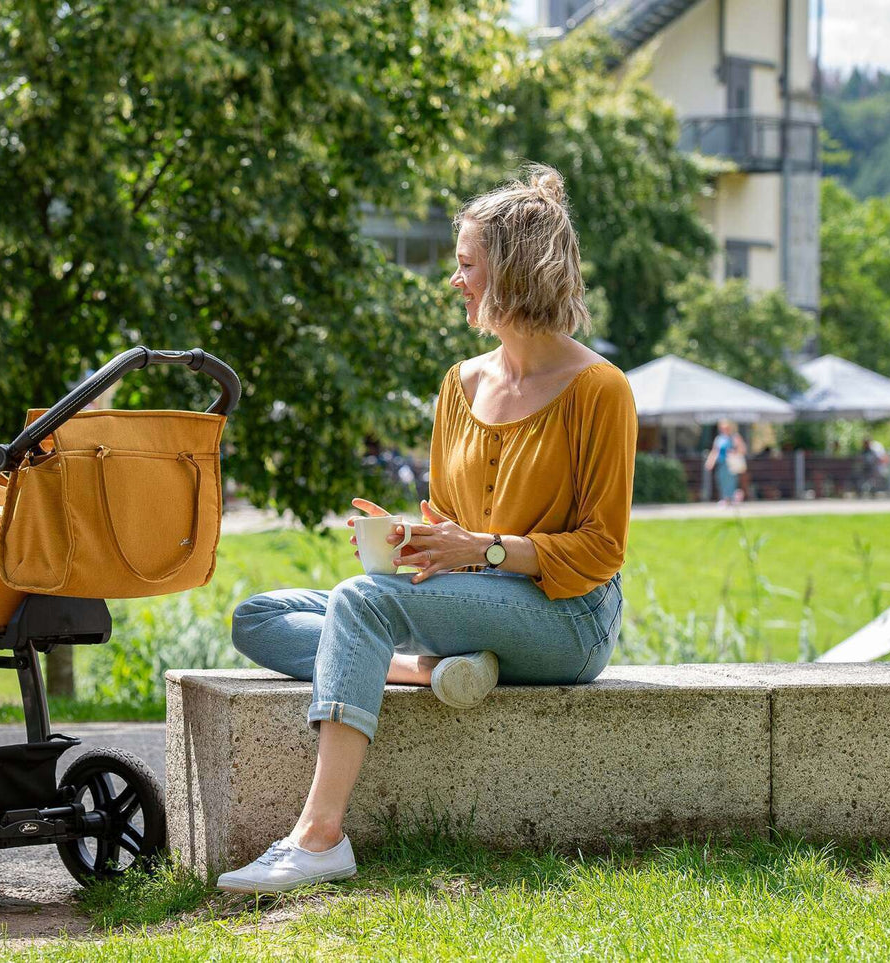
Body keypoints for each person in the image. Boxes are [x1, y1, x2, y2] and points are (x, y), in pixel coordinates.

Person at [219, 166, 635, 894]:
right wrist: (414, 538)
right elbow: (451, 518)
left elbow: (601, 551)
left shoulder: (600, 389)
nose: (455, 281)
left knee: (359, 604)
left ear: (513, 270)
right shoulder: (459, 383)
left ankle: (318, 836)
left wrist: (486, 550)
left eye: (467, 265)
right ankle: (429, 669)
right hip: (477, 598)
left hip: (568, 617)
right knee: (257, 617)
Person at [704, 420, 748, 506]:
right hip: (721, 463)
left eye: (726, 428)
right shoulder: (719, 439)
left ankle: (732, 498)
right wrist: (710, 462)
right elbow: (715, 451)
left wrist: (734, 452)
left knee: (731, 481)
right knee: (721, 480)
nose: (725, 430)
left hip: (731, 464)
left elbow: (743, 449)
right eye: (723, 428)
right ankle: (725, 498)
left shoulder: (735, 437)